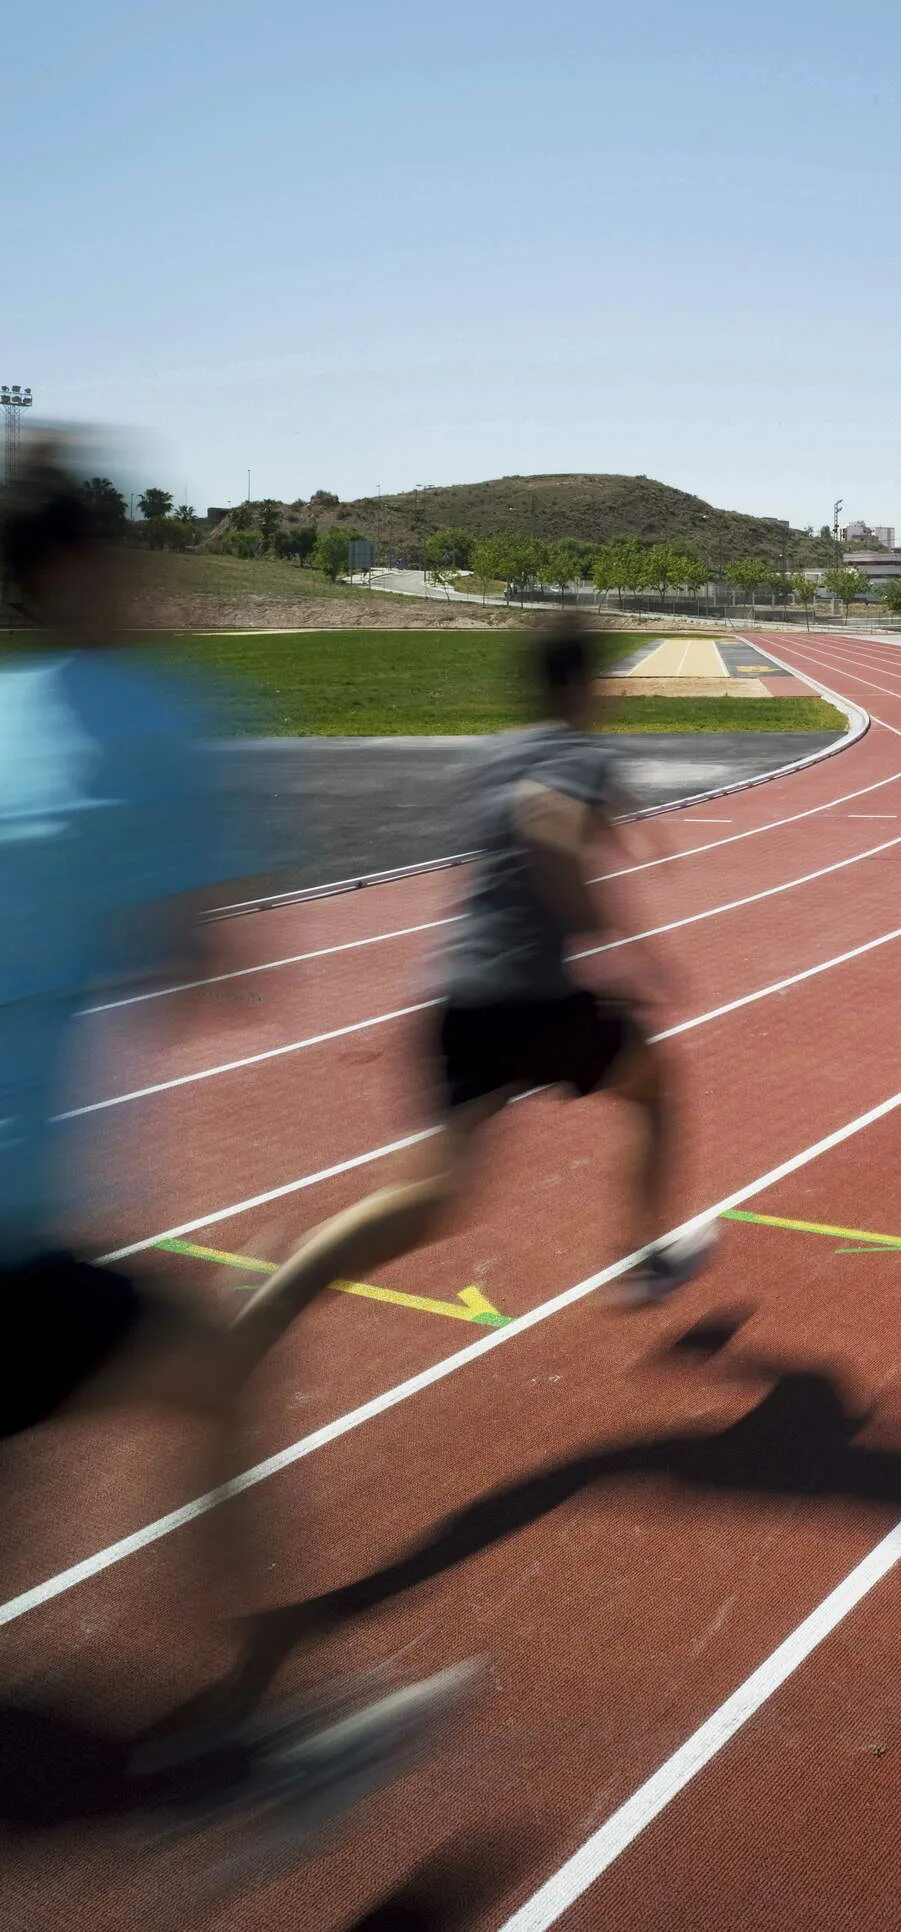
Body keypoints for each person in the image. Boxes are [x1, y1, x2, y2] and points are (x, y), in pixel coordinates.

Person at [0, 448, 472, 1872]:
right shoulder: (149, 719)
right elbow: (217, 974)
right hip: (10, 1224)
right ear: (92, 567)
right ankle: (255, 1758)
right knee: (212, 1381)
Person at [232, 617, 713, 1360]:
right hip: (533, 999)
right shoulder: (579, 751)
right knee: (656, 1085)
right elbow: (546, 822)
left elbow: (555, 800)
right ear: (584, 685)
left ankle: (274, 1299)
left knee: (427, 1199)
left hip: (457, 991)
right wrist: (620, 947)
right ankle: (647, 1257)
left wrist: (632, 827)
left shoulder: (501, 751)